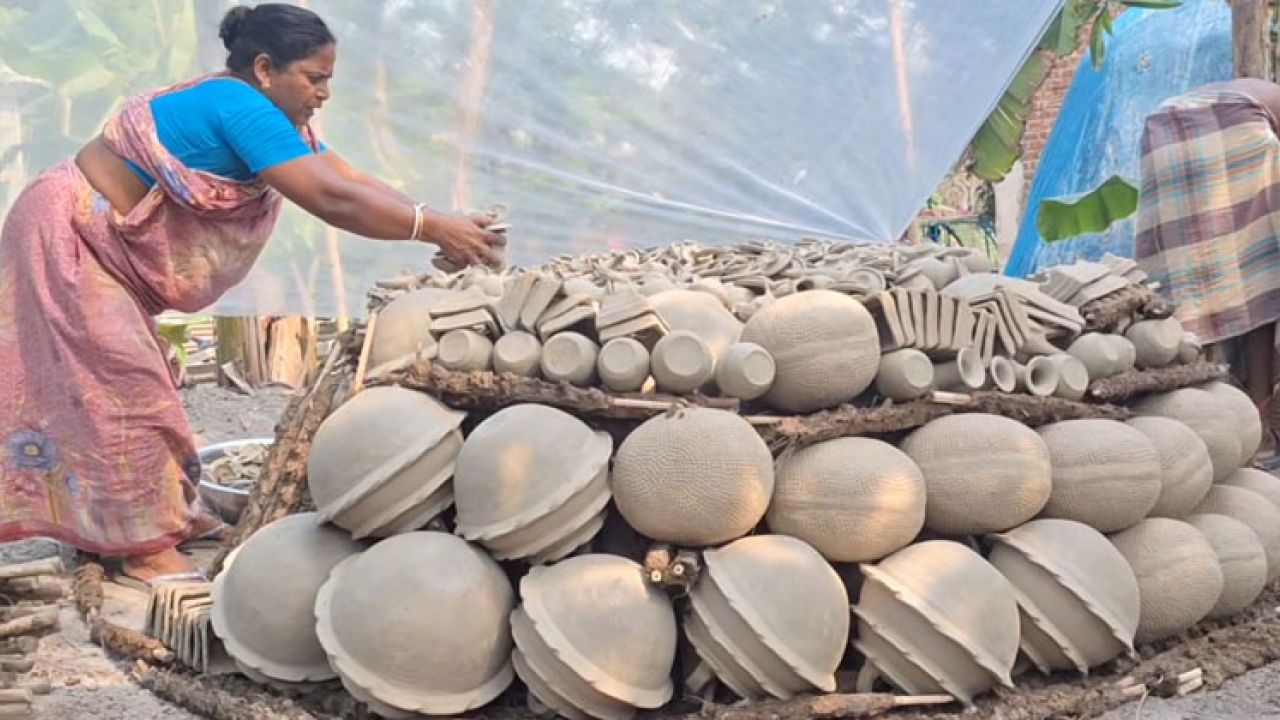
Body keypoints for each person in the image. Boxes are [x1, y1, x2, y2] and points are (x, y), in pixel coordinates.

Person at [0, 3, 505, 586]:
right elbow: (330, 199)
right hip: (66, 236)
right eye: (314, 78)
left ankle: (161, 518)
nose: (324, 94)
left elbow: (349, 178)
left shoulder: (267, 115)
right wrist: (434, 230)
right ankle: (138, 547)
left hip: (94, 241)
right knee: (124, 385)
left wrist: (439, 220)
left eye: (329, 80)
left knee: (129, 380)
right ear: (265, 68)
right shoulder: (239, 106)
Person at [1135, 77, 1280, 468]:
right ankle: (1259, 420)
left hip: (1164, 126)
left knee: (1189, 276)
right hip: (1236, 123)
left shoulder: (1251, 87)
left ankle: (1202, 404)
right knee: (1261, 280)